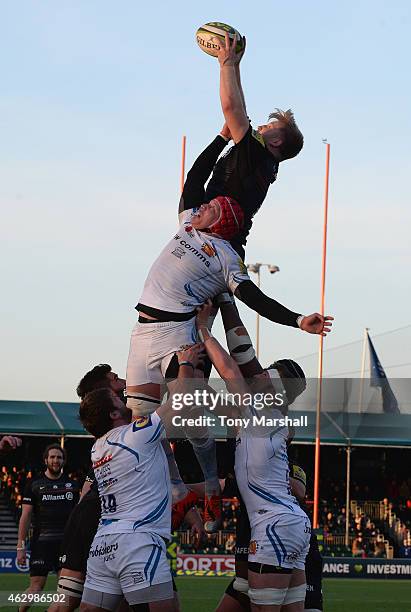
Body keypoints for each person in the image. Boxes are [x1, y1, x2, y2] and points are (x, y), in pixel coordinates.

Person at [196, 301, 311, 611]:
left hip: (273, 526)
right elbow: (211, 399)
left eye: (265, 377)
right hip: (293, 526)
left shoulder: (256, 410)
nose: (257, 378)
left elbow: (231, 368)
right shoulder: (270, 417)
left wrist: (203, 329)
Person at [78, 344, 204, 612]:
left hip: (103, 545)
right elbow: (179, 402)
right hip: (138, 542)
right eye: (117, 401)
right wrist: (187, 363)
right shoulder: (137, 435)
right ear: (113, 414)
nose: (124, 400)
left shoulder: (97, 447)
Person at [204, 34, 304, 257]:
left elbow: (231, 108)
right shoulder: (264, 161)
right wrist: (236, 66)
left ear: (277, 141)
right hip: (228, 246)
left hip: (213, 244)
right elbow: (240, 111)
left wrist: (226, 64)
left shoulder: (257, 153)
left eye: (269, 126)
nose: (261, 126)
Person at [17, 444, 80, 612]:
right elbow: (25, 517)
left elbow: (78, 517)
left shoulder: (72, 486)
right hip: (41, 545)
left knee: (65, 592)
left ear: (64, 461)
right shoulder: (34, 485)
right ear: (46, 460)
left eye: (59, 457)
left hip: (65, 545)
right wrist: (20, 547)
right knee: (36, 588)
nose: (55, 460)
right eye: (52, 457)